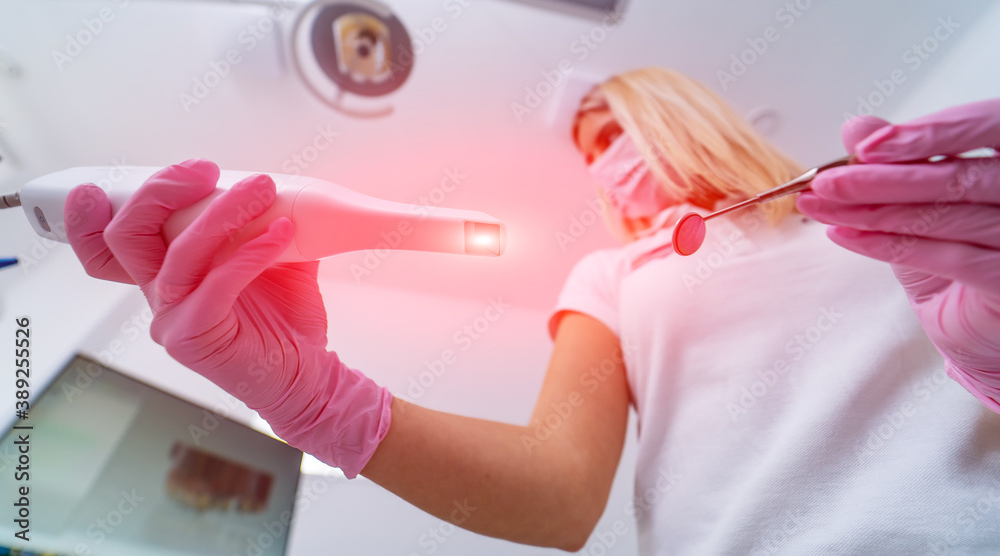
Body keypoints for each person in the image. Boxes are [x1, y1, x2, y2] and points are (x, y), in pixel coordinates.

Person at [63, 67, 1000, 554]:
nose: (608, 163)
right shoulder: (614, 273)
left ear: (687, 115)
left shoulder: (879, 201)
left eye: (618, 130)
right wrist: (321, 402)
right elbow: (553, 496)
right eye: (591, 151)